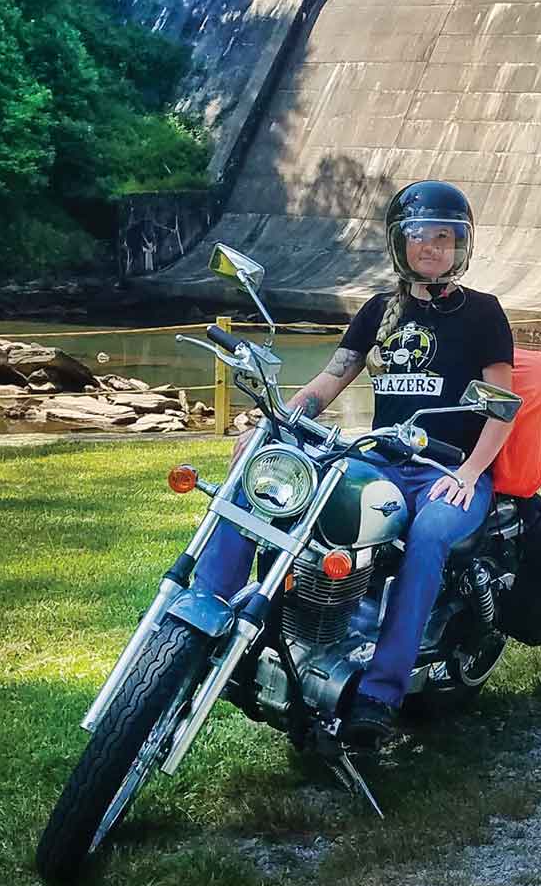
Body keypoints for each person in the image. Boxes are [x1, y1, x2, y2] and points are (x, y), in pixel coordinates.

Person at [197, 180, 515, 749]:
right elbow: (330, 378)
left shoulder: (484, 314)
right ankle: (209, 609)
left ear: (462, 247)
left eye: (445, 238)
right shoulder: (377, 311)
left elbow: (503, 406)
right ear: (400, 244)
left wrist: (469, 475)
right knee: (269, 485)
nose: (432, 248)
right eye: (420, 237)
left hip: (448, 471)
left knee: (430, 535)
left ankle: (379, 693)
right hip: (382, 463)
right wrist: (272, 426)